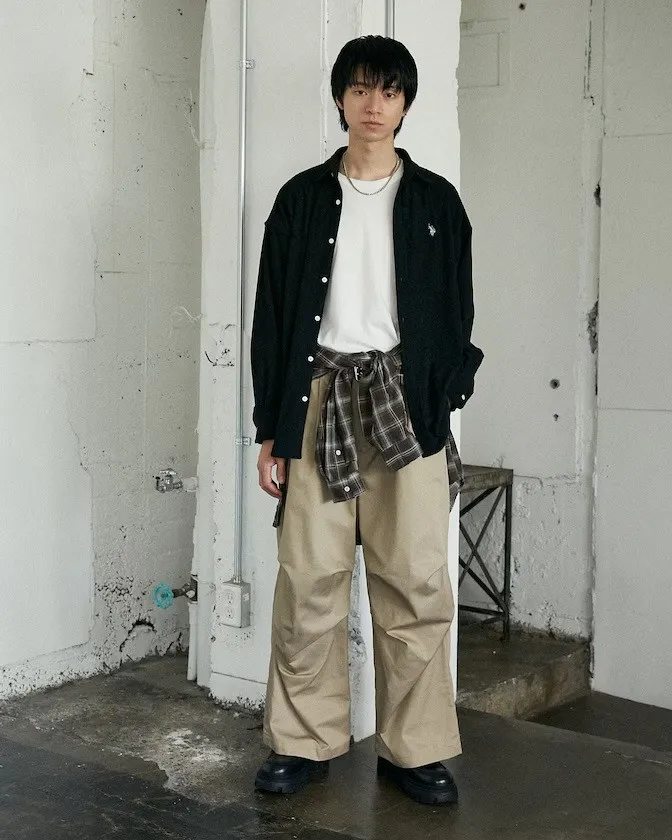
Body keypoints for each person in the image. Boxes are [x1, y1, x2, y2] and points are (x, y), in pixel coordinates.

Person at [249, 34, 483, 806]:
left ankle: (413, 751)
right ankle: (302, 741)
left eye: (387, 90)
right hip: (316, 400)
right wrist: (271, 427)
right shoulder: (301, 200)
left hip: (404, 407)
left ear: (405, 103)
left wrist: (440, 400)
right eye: (359, 89)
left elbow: (458, 312)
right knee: (308, 579)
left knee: (414, 582)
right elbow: (272, 318)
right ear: (341, 99)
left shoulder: (437, 203)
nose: (373, 105)